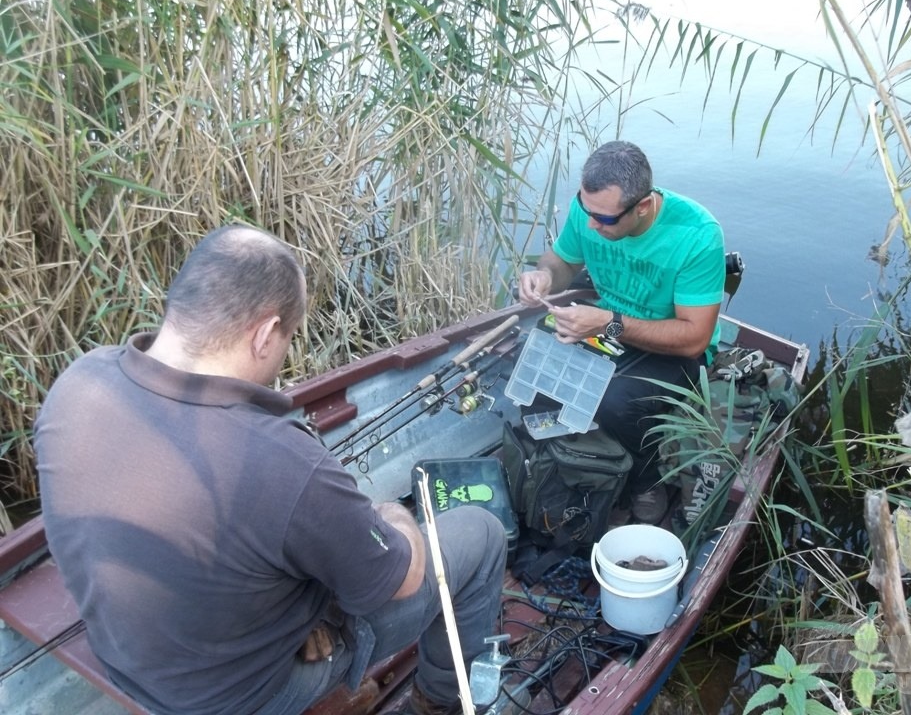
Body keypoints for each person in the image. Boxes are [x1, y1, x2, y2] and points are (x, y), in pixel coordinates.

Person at [34, 224, 506, 715]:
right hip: (241, 698)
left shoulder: (80, 380)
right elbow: (402, 580)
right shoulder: (279, 461)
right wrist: (393, 516)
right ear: (263, 334)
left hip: (129, 661)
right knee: (481, 534)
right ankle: (438, 703)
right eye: (288, 337)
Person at [518, 141, 725, 524]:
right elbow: (563, 259)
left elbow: (695, 338)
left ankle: (646, 480)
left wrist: (608, 322)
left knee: (615, 401)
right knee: (534, 368)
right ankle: (574, 462)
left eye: (606, 220)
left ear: (642, 206)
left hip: (674, 346)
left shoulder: (697, 234)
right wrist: (544, 276)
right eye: (586, 211)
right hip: (606, 323)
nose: (592, 225)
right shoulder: (593, 208)